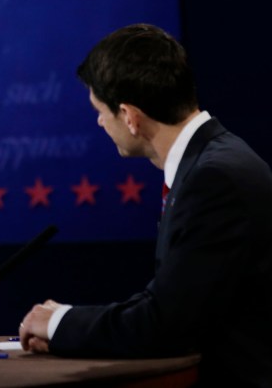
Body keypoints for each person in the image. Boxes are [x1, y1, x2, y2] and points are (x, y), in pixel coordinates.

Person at [18, 24, 272, 385]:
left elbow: (166, 324)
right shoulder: (213, 161)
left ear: (130, 117)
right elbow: (170, 299)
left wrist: (59, 324)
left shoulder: (214, 180)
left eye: (100, 110)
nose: (99, 121)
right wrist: (69, 318)